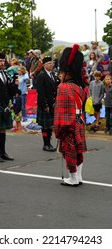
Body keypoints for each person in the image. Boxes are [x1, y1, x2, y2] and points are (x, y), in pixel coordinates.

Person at [53, 44, 87, 186]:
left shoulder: (64, 87)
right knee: (78, 151)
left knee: (70, 150)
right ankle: (78, 176)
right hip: (79, 121)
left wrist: (58, 130)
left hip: (69, 122)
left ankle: (72, 178)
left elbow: (61, 112)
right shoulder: (80, 87)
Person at [36, 56, 60, 152]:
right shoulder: (41, 76)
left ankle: (49, 142)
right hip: (45, 104)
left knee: (49, 125)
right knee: (45, 126)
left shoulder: (53, 75)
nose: (51, 65)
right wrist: (45, 105)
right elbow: (40, 93)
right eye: (49, 63)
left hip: (52, 104)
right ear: (45, 65)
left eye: (52, 63)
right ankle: (46, 144)